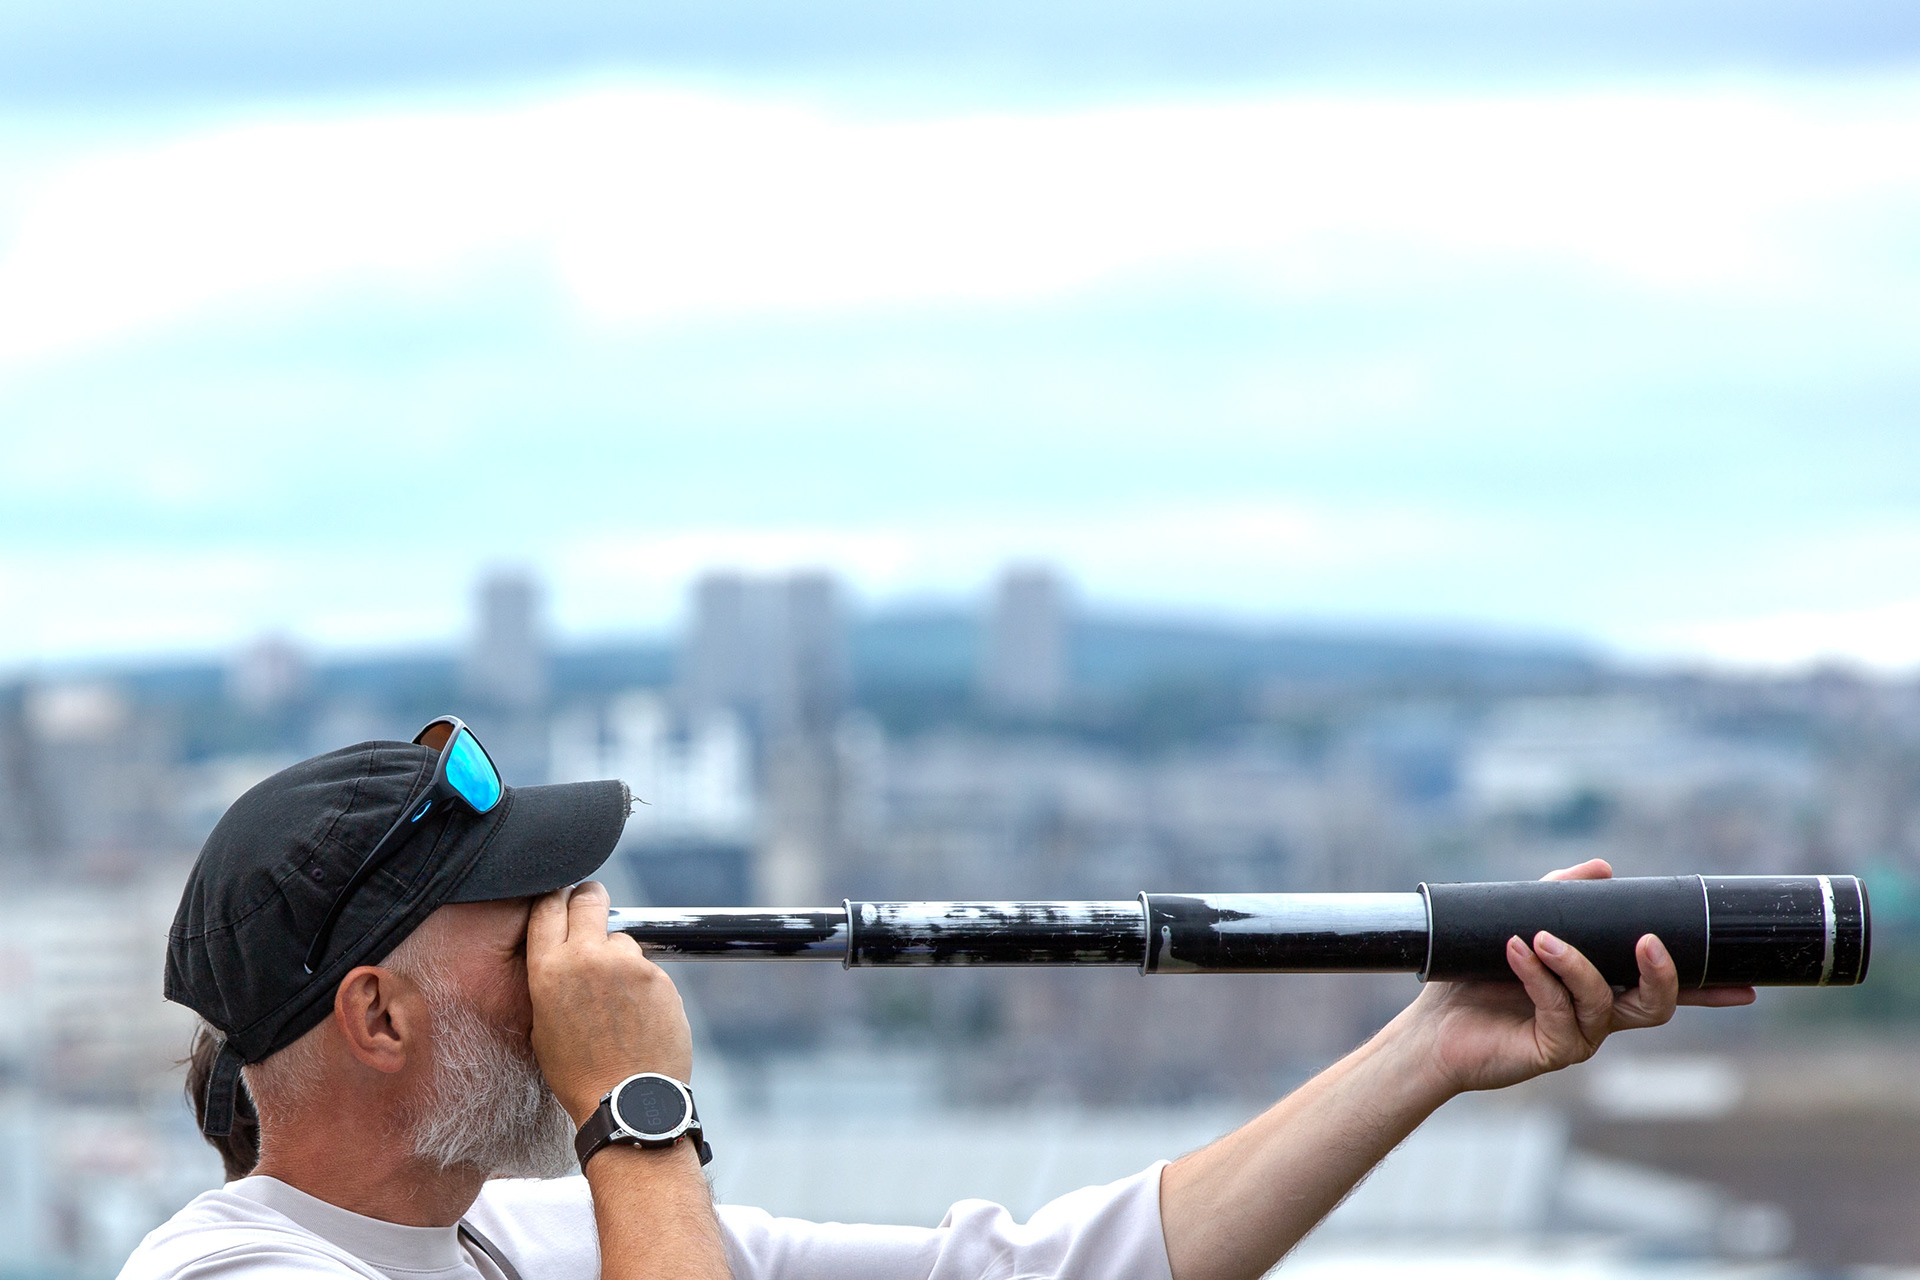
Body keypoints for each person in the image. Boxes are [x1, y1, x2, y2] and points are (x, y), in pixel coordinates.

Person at [121, 717, 1754, 1280]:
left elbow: (1071, 1270)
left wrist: (1428, 1050)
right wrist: (636, 1111)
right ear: (379, 1018)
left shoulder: (532, 1244)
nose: (586, 944)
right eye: (527, 921)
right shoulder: (232, 1271)